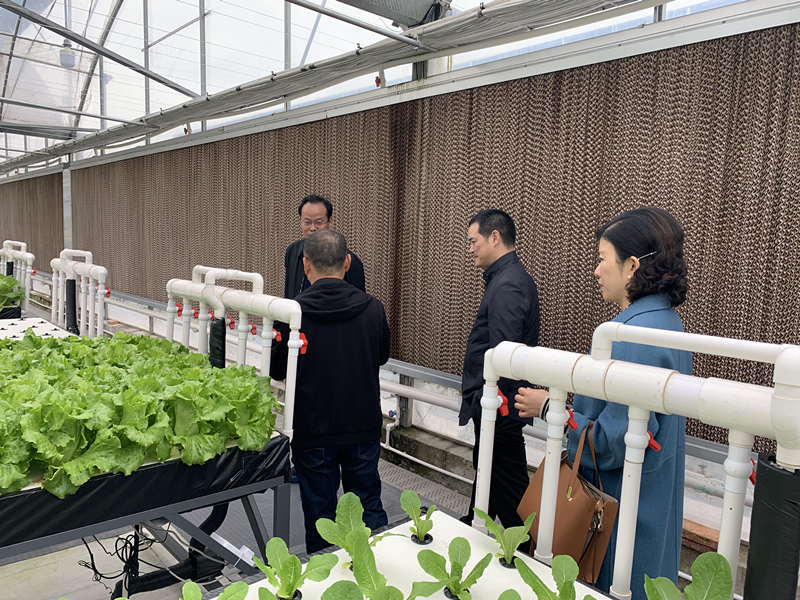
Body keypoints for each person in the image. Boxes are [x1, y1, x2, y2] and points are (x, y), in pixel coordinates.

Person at [515, 207, 691, 599]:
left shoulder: (628, 333)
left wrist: (551, 409)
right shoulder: (668, 323)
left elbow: (613, 441)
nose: (596, 270)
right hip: (653, 502)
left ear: (632, 266)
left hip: (616, 508)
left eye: (602, 258)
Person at [271, 228, 390, 554]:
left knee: (321, 515)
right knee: (368, 507)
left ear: (305, 265)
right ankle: (376, 571)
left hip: (312, 430)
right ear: (347, 263)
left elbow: (277, 370)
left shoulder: (290, 314)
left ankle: (326, 576)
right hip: (362, 427)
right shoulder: (373, 309)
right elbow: (381, 356)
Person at [460, 209, 540, 528]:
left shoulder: (508, 284)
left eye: (473, 241)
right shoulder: (506, 279)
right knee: (489, 479)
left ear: (494, 237)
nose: (470, 249)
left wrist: (493, 408)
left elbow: (505, 357)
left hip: (500, 408)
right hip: (497, 405)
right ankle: (473, 527)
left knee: (511, 495)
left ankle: (527, 549)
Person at [284, 195, 365, 299]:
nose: (313, 228)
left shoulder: (346, 258)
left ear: (329, 221)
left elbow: (358, 299)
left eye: (318, 222)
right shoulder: (292, 251)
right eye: (307, 222)